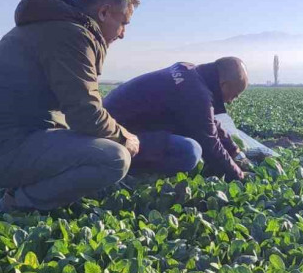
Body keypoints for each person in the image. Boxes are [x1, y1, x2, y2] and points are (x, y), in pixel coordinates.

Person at [0, 0, 141, 213]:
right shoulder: (72, 35)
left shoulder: (56, 25)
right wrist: (125, 138)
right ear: (104, 12)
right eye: (123, 22)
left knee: (95, 143)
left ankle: (22, 185)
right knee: (114, 157)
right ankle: (16, 204)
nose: (123, 33)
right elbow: (86, 115)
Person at [102, 57, 251, 181]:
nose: (231, 101)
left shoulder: (190, 72)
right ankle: (128, 170)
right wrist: (239, 176)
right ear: (224, 86)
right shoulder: (196, 94)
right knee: (190, 151)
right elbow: (210, 142)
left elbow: (208, 120)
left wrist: (234, 151)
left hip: (113, 121)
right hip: (115, 136)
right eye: (235, 95)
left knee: (190, 138)